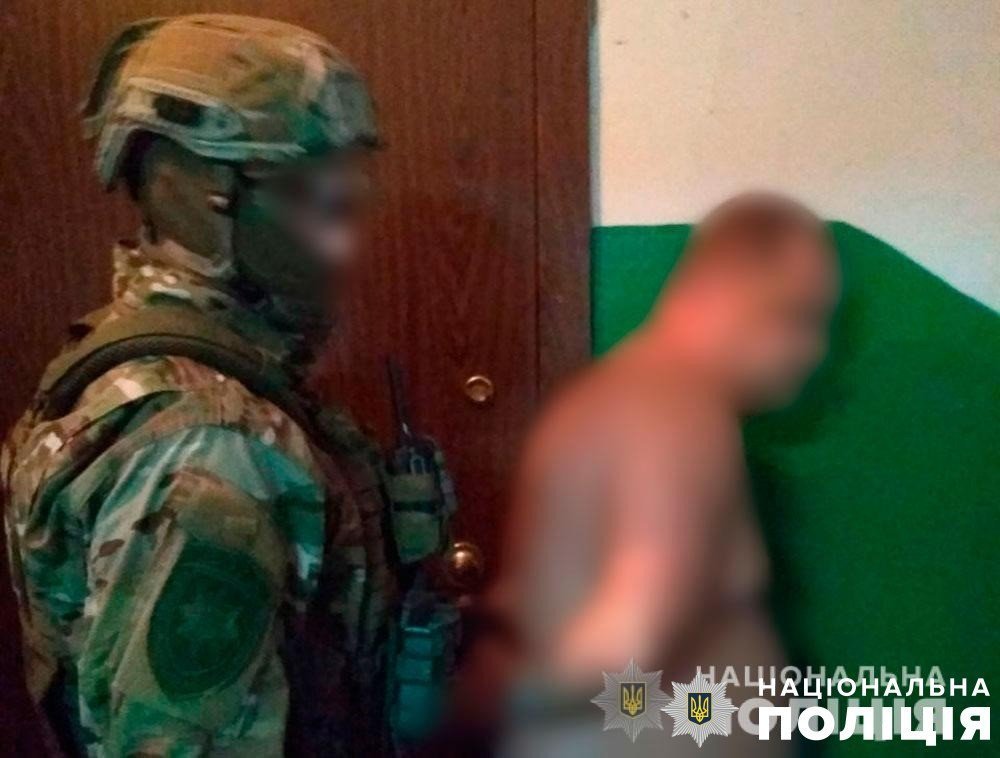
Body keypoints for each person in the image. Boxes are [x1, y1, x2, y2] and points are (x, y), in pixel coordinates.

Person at [1, 15, 455, 756]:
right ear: (205, 192)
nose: (347, 239)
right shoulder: (205, 439)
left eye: (354, 195)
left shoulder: (180, 372)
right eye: (321, 198)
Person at [497, 192, 839, 754]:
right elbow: (629, 633)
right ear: (722, 293)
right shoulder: (673, 411)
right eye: (794, 317)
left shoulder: (636, 393)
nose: (812, 350)